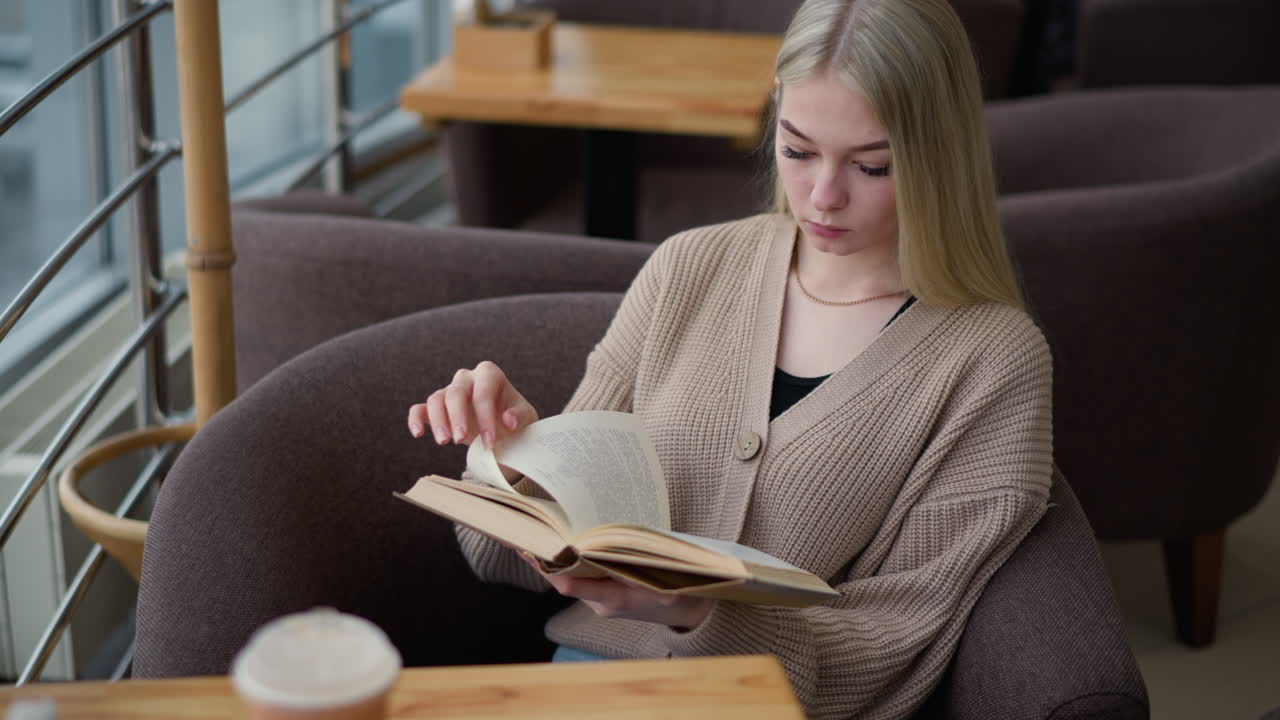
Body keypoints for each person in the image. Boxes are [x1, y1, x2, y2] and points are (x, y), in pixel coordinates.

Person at [406, 0, 1052, 717]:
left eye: (872, 166)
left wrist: (695, 612)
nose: (823, 197)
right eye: (797, 150)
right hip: (593, 681)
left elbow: (896, 638)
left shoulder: (993, 361)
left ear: (939, 153)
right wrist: (514, 457)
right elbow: (511, 556)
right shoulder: (689, 266)